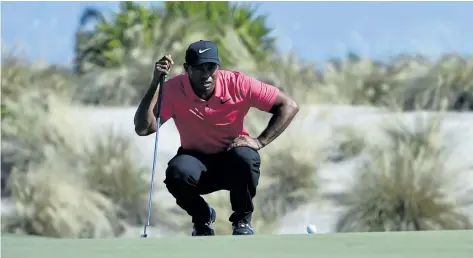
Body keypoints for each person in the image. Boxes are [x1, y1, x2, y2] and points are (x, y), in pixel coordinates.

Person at [134, 40, 300, 236]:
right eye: (198, 68)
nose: (206, 74)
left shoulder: (238, 83)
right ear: (187, 68)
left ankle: (242, 221)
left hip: (233, 162)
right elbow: (143, 129)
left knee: (247, 157)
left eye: (211, 67)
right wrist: (155, 83)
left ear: (218, 67)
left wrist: (259, 141)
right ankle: (202, 217)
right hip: (196, 163)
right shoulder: (173, 88)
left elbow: (289, 105)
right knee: (176, 173)